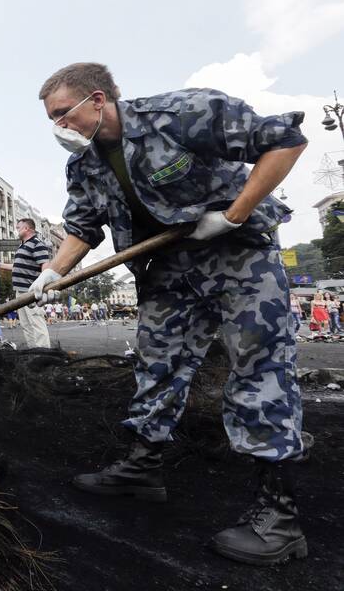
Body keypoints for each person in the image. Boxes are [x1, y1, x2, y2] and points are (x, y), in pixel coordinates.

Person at [29, 62, 308, 565]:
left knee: (259, 369)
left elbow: (285, 141)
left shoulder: (181, 113)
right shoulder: (85, 165)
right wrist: (53, 272)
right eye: (52, 121)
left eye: (62, 115)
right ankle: (140, 471)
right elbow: (82, 228)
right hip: (168, 264)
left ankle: (280, 518)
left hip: (239, 251)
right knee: (156, 366)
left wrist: (233, 213)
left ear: (97, 100)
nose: (59, 128)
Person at [0, 218, 53, 348]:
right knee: (26, 324)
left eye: (18, 227)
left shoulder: (37, 243)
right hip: (20, 291)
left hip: (31, 291)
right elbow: (17, 266)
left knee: (36, 322)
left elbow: (45, 264)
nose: (17, 230)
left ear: (27, 228)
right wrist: (0, 265)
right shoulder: (23, 245)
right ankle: (33, 351)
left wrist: (42, 284)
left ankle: (44, 353)